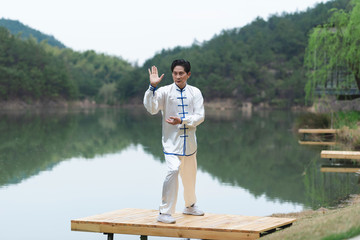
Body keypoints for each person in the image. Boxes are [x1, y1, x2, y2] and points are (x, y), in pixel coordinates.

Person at [143, 59, 205, 224]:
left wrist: (182, 120)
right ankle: (164, 212)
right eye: (175, 73)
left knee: (190, 176)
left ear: (188, 74)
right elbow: (152, 108)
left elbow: (200, 116)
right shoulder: (164, 91)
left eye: (181, 73)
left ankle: (190, 206)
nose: (178, 76)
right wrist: (152, 87)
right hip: (171, 143)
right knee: (173, 170)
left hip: (190, 143)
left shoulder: (195, 92)